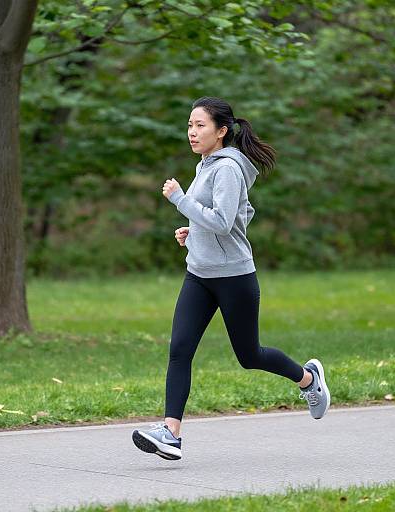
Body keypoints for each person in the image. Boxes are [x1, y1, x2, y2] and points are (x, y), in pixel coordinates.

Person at [132, 96, 331, 461]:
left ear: (221, 131)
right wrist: (192, 231)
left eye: (200, 125)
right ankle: (170, 433)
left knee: (249, 355)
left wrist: (180, 201)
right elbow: (225, 217)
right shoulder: (205, 165)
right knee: (179, 350)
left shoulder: (227, 169)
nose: (192, 132)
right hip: (199, 274)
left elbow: (224, 221)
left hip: (233, 277)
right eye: (190, 125)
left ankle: (308, 378)